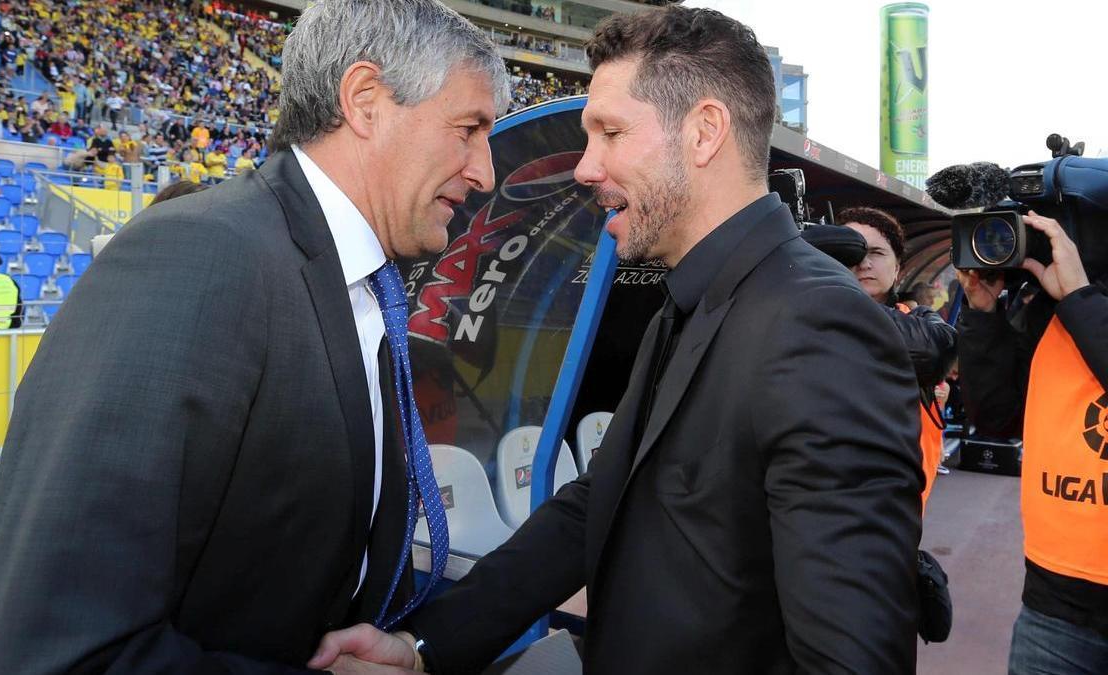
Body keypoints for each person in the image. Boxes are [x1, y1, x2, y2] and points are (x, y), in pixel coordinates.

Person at [312, 6, 923, 674]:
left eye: (609, 132)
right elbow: (592, 505)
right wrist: (423, 648)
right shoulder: (694, 300)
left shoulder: (820, 327)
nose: (584, 167)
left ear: (704, 132)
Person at [0, 0, 507, 672]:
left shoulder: (360, 283)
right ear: (366, 101)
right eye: (469, 128)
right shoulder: (196, 254)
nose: (485, 171)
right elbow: (50, 652)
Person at [955, 211, 1108, 674]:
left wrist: (1080, 297)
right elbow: (998, 419)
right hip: (1054, 603)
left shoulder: (1077, 307)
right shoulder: (1051, 314)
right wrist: (983, 315)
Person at [840, 206, 957, 504]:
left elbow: (935, 353)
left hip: (903, 498)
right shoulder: (807, 317)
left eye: (877, 253)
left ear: (898, 269)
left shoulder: (920, 319)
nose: (864, 263)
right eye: (853, 251)